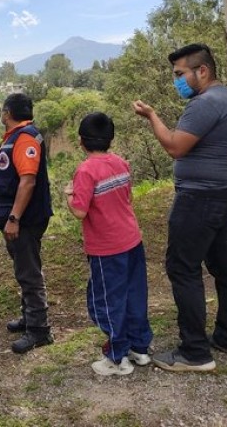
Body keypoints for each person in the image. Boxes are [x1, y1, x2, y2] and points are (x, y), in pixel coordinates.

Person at [133, 43, 227, 372]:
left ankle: (195, 353)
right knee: (226, 268)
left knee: (182, 268)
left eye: (180, 74)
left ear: (202, 71)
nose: (177, 81)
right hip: (225, 194)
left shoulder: (205, 104)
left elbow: (174, 146)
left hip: (200, 200)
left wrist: (152, 116)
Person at [64, 112, 153, 376]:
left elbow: (80, 211)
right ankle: (140, 348)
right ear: (110, 139)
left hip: (107, 249)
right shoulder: (121, 163)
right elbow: (127, 198)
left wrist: (68, 196)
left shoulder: (85, 170)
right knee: (135, 294)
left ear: (81, 140)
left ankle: (117, 357)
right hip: (132, 240)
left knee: (105, 300)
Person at [0, 93, 54, 354]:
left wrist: (14, 218)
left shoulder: (25, 138)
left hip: (24, 220)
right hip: (19, 219)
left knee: (29, 273)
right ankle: (30, 318)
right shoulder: (17, 137)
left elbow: (27, 181)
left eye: (2, 111)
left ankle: (39, 331)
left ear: (7, 113)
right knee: (23, 269)